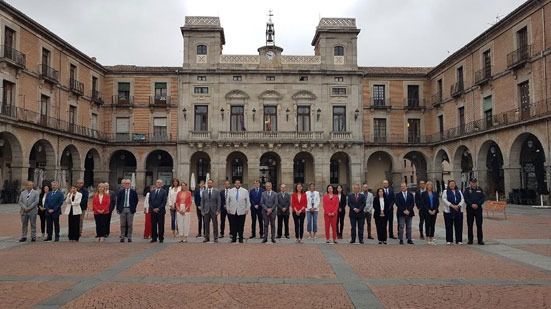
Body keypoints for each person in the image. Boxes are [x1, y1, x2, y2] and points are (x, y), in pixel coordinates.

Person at [442, 180, 465, 245]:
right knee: (449, 226)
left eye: (453, 184)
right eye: (451, 184)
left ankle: (459, 240)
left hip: (458, 210)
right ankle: (449, 240)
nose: (452, 185)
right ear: (449, 185)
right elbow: (444, 199)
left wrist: (459, 205)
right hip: (448, 211)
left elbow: (462, 199)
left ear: (455, 185)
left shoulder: (459, 191)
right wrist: (451, 205)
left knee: (459, 226)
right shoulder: (445, 191)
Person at [463, 178, 485, 245]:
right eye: (472, 182)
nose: (474, 183)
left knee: (479, 225)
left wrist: (478, 204)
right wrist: (471, 204)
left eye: (475, 182)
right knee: (470, 225)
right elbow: (465, 198)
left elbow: (483, 198)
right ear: (470, 183)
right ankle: (470, 240)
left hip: (478, 209)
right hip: (470, 209)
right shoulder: (467, 190)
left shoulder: (480, 189)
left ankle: (480, 240)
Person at [116, 179, 138, 243]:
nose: (127, 185)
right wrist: (118, 208)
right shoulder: (121, 192)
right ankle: (122, 237)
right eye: (126, 183)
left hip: (130, 209)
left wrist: (133, 207)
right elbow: (118, 201)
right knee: (122, 224)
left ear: (130, 184)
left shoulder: (133, 192)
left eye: (128, 183)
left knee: (130, 224)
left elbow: (136, 200)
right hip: (122, 209)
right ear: (124, 184)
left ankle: (129, 237)